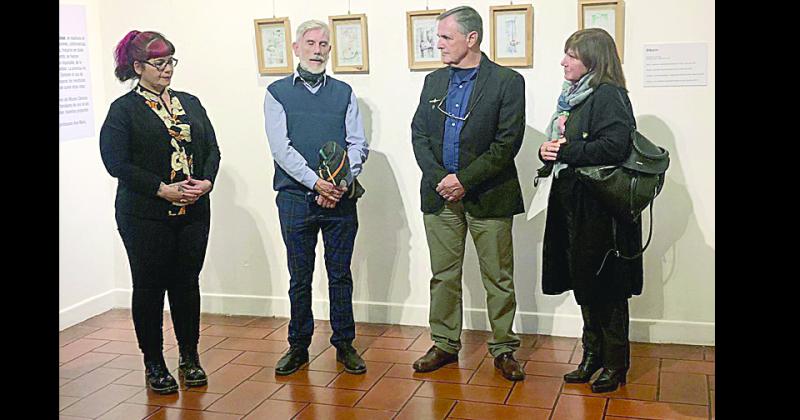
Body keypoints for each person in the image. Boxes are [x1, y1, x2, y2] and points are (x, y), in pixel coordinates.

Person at [99, 30, 220, 394]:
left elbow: (212, 149)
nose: (168, 69)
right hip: (144, 214)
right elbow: (115, 161)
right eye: (159, 63)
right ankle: (153, 361)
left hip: (194, 212)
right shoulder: (124, 110)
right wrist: (160, 188)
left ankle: (189, 355)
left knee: (187, 284)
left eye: (171, 61)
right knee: (150, 287)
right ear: (138, 67)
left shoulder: (190, 102)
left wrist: (207, 182)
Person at [410, 6, 526, 382]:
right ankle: (444, 343)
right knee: (443, 275)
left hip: (488, 195)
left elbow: (506, 143)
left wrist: (464, 180)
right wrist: (441, 177)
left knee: (498, 276)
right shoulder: (433, 82)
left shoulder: (507, 82)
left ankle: (504, 347)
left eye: (446, 37)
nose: (438, 44)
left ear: (471, 38)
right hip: (439, 195)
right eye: (438, 37)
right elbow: (419, 135)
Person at [538, 28, 642, 393]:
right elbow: (566, 144)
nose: (563, 61)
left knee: (607, 286)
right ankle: (592, 356)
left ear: (593, 61)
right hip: (575, 204)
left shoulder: (609, 95)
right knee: (584, 280)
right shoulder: (574, 97)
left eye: (571, 55)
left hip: (601, 211)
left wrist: (563, 152)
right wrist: (546, 151)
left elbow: (614, 147)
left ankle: (615, 365)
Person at [263, 20, 369, 376]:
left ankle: (344, 344)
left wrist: (338, 182)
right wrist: (316, 183)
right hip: (295, 198)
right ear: (296, 48)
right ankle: (298, 346)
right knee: (300, 275)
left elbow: (357, 143)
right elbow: (282, 149)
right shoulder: (277, 93)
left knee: (340, 274)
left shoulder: (344, 92)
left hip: (341, 198)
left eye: (324, 44)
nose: (317, 50)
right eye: (310, 43)